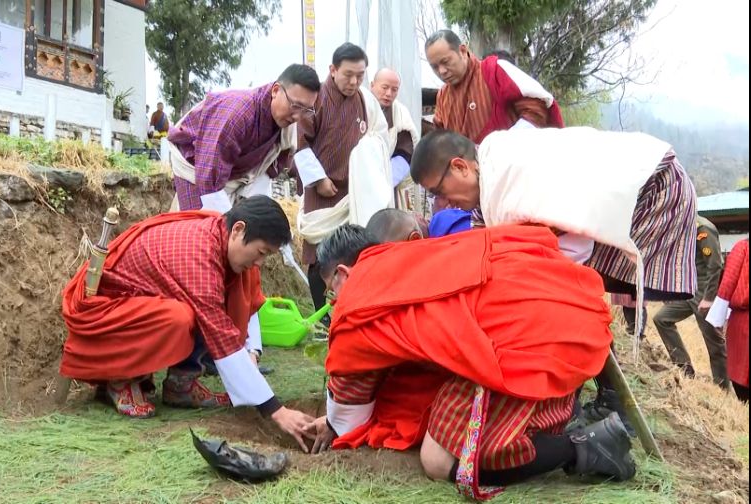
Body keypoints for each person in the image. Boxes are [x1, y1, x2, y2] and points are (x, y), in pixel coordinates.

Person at [306, 224, 635, 499]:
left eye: (331, 292)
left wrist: (334, 424)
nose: (334, 302)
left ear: (343, 273)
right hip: (568, 318)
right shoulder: (414, 257)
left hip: (528, 342)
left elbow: (350, 410)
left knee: (437, 460)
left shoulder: (357, 297)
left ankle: (586, 447)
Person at [59, 196, 316, 451]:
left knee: (231, 286)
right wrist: (276, 411)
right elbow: (220, 332)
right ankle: (120, 379)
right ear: (238, 229)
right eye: (261, 252)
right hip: (112, 311)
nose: (260, 262)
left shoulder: (219, 235)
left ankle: (181, 385)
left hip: (146, 304)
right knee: (179, 317)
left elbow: (243, 306)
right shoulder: (199, 254)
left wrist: (252, 350)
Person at [410, 128, 698, 307]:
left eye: (440, 191)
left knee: (576, 290)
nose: (444, 203)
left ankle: (601, 383)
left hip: (653, 185)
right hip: (634, 182)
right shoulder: (487, 182)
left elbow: (567, 248)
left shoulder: (508, 174)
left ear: (460, 167)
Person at [293, 42, 391, 316]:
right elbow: (300, 144)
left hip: (355, 193)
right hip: (321, 192)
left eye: (360, 75)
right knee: (318, 255)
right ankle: (320, 317)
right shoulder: (316, 100)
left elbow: (378, 137)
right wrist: (318, 180)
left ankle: (348, 310)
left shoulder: (365, 101)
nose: (354, 81)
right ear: (332, 70)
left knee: (350, 253)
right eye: (348, 74)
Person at [166, 64, 320, 212]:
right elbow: (208, 178)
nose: (297, 116)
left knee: (254, 225)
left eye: (306, 110)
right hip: (196, 167)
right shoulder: (238, 115)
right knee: (205, 230)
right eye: (295, 105)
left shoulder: (284, 122)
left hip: (242, 175)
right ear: (275, 90)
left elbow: (277, 162)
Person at [424, 29, 564, 143]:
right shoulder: (442, 97)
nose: (441, 71)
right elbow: (442, 138)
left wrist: (501, 146)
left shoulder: (494, 70)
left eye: (446, 61)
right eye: (435, 67)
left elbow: (537, 108)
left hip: (512, 167)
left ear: (462, 50)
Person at [651, 217, 728, 387]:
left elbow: (715, 265)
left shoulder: (702, 229)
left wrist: (708, 298)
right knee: (662, 319)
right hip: (688, 289)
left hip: (704, 288)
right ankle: (684, 369)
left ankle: (723, 386)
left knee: (713, 340)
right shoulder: (681, 227)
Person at [369, 68, 422, 211]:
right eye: (385, 87)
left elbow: (405, 153)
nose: (388, 94)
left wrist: (382, 182)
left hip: (387, 185)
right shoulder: (359, 106)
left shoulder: (400, 113)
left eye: (394, 90)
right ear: (372, 85)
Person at [707, 238, 750, 401]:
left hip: (743, 320)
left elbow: (729, 280)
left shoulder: (743, 247)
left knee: (742, 373)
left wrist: (718, 314)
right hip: (742, 317)